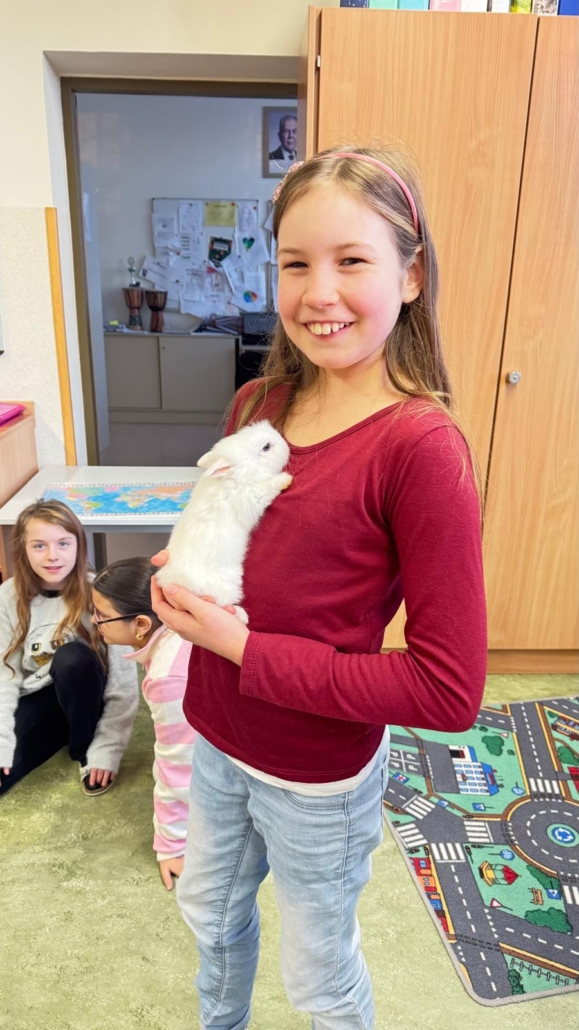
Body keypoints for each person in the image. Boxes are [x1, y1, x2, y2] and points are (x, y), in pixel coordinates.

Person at [151, 144, 488, 1030]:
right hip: (214, 732)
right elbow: (233, 534)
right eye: (295, 263)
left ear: (410, 276)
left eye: (351, 261)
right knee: (209, 918)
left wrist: (241, 647)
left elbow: (447, 690)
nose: (317, 292)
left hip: (316, 780)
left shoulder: (420, 449)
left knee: (319, 981)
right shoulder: (256, 405)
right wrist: (182, 575)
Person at [0, 500, 138, 798]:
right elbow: (4, 675)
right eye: (39, 546)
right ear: (23, 549)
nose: (53, 555)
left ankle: (84, 744)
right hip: (37, 695)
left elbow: (124, 683)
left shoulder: (100, 593)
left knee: (71, 657)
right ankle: (61, 729)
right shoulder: (7, 596)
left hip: (86, 690)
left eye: (63, 543)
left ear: (78, 545)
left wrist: (107, 748)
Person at [91, 557, 195, 891]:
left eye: (101, 615)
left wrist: (171, 844)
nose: (94, 621)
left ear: (140, 624)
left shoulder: (168, 677)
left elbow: (177, 765)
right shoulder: (178, 636)